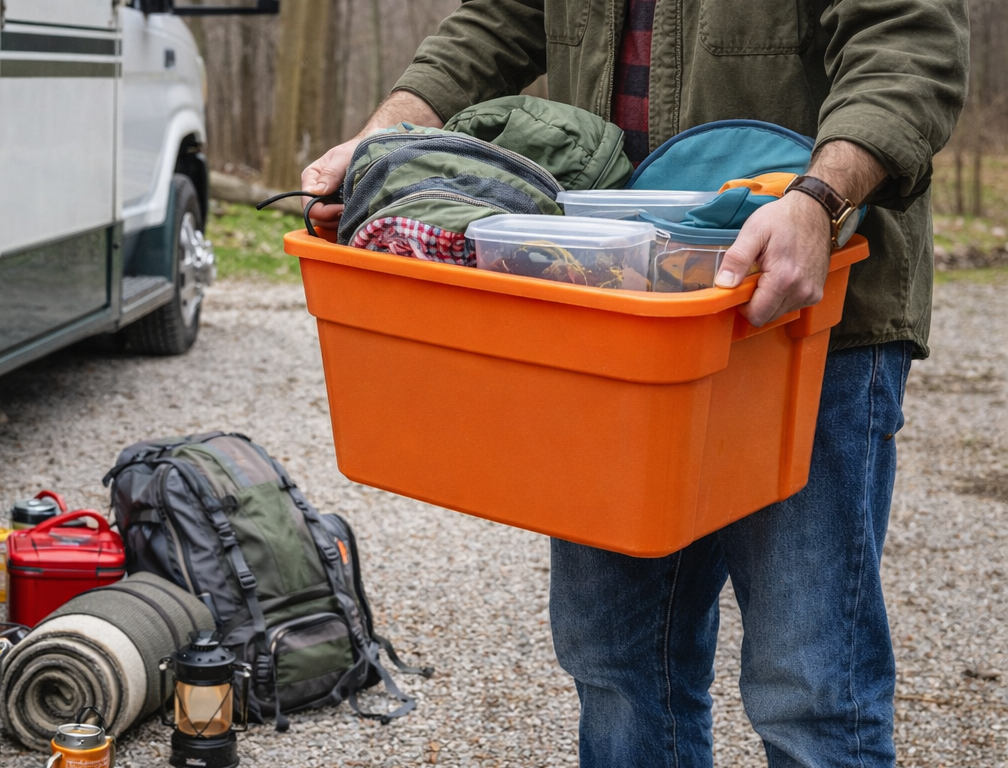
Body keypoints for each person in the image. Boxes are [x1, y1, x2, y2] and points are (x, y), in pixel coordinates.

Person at [302, 2, 968, 765]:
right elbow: (497, 19)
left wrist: (820, 198)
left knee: (812, 689)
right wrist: (386, 143)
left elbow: (907, 38)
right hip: (615, 322)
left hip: (805, 321)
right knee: (617, 662)